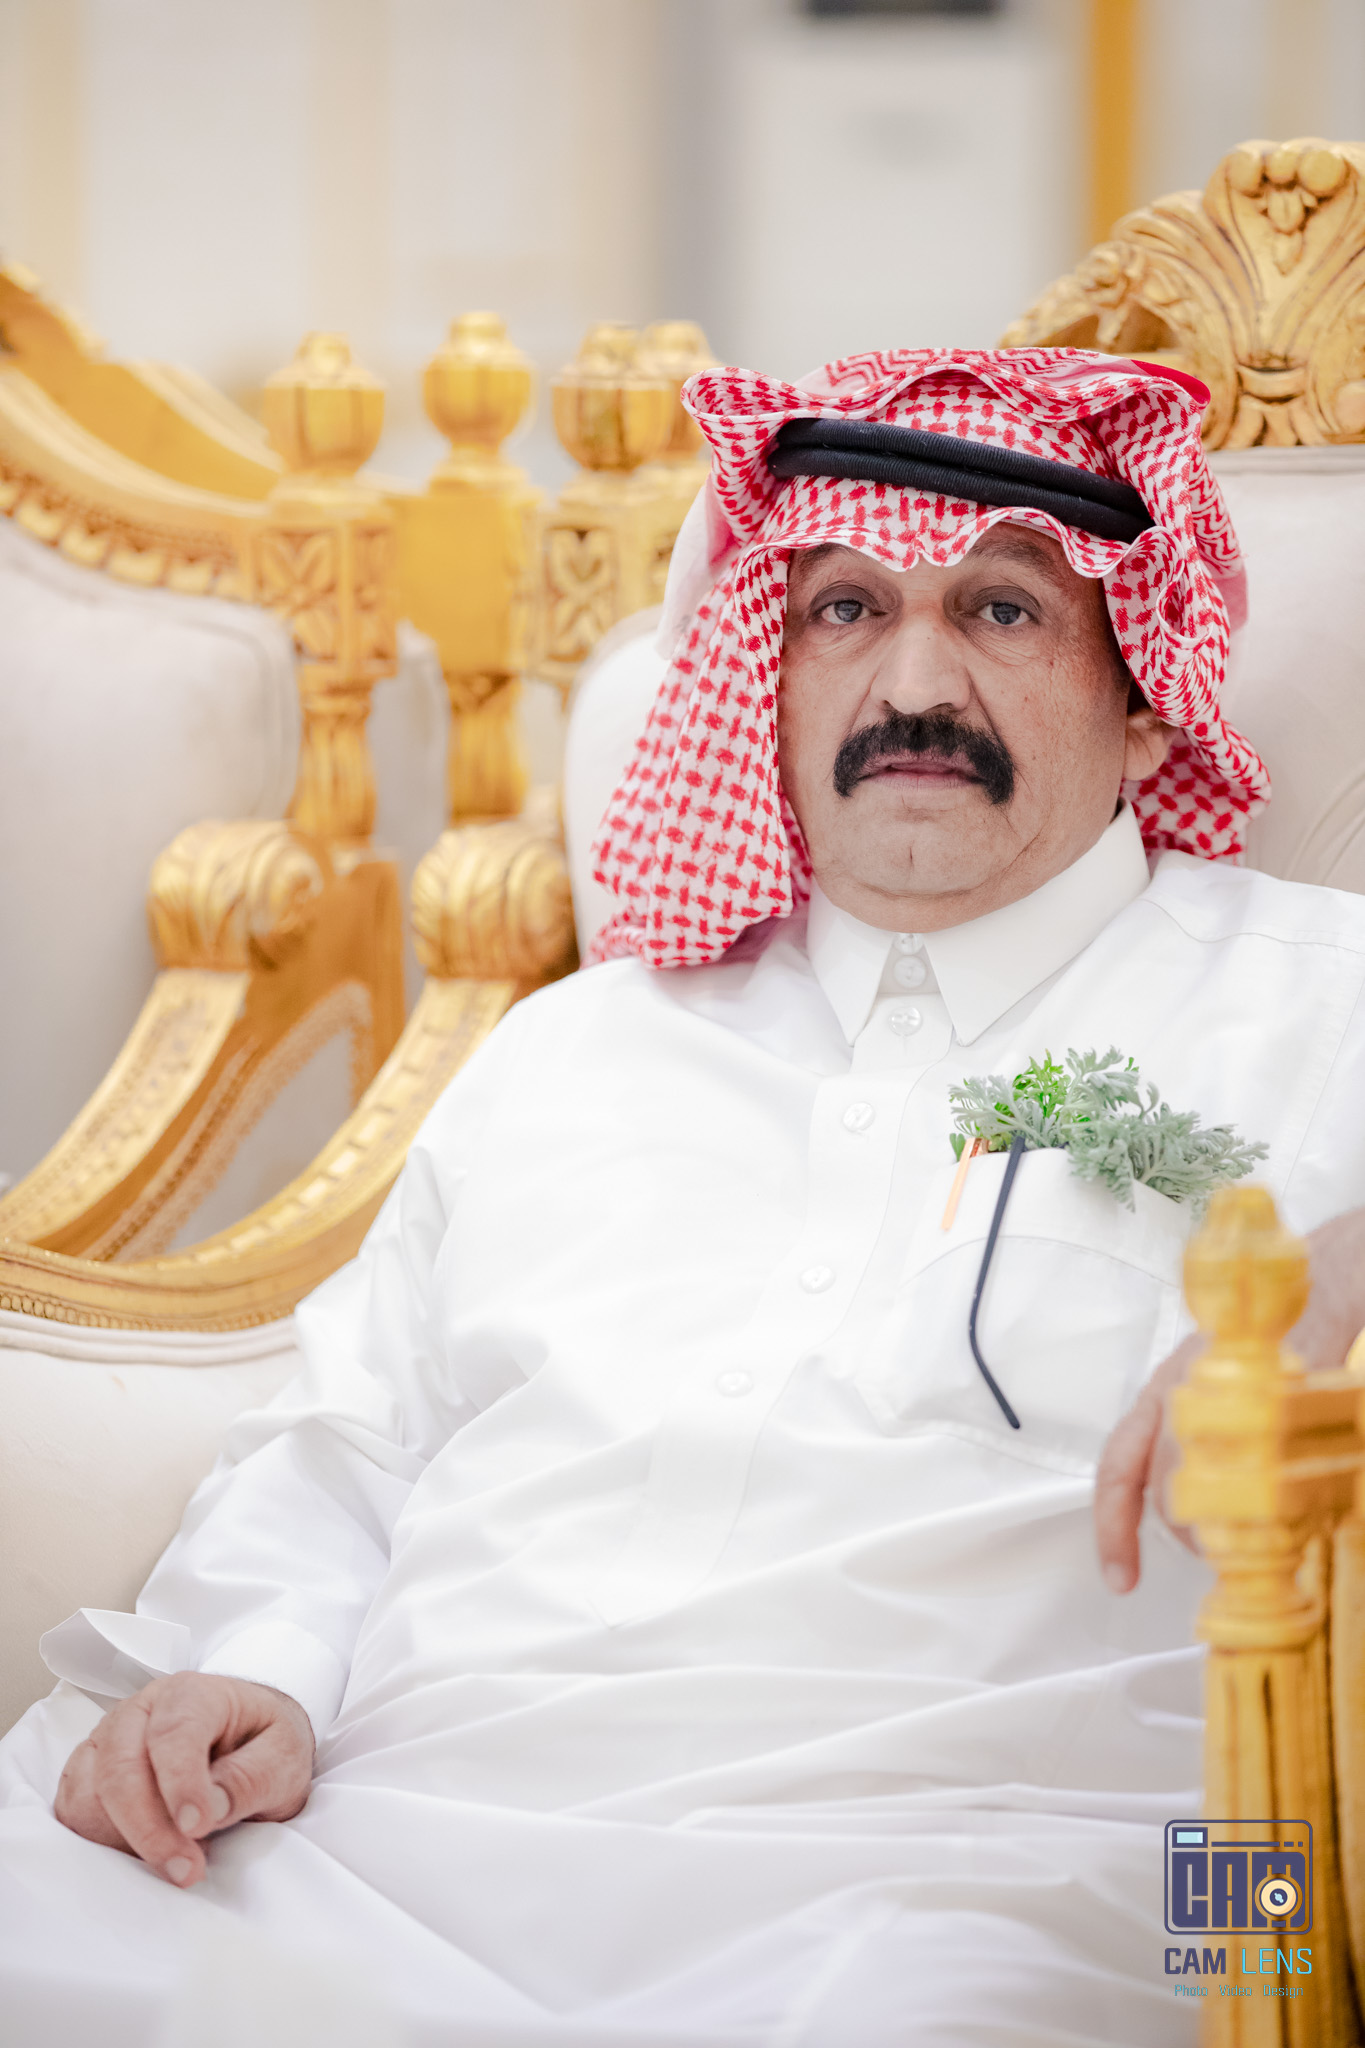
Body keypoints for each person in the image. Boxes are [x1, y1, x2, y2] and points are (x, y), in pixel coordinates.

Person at [4, 346, 1365, 2048]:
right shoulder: (576, 1046)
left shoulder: (1318, 1000)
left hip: (1035, 1870)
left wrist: (1345, 1283)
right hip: (390, 1832)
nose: (912, 681)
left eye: (1002, 611)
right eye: (843, 610)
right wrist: (250, 1669)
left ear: (1143, 689)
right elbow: (353, 1443)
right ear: (763, 678)